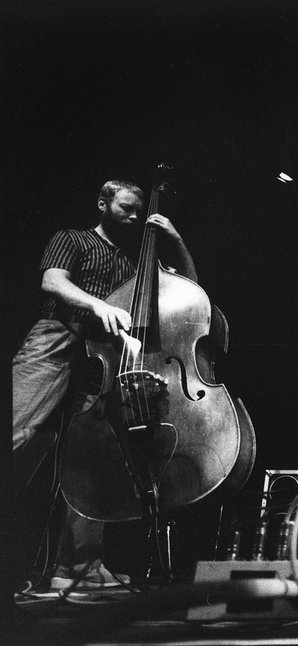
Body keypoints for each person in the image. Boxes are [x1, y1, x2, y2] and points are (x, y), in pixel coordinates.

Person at [12, 180, 198, 589]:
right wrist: (99, 305)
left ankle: (77, 567)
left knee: (89, 459)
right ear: (102, 204)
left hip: (105, 357)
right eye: (126, 209)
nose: (134, 217)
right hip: (59, 338)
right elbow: (53, 281)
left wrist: (175, 238)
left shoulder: (136, 260)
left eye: (137, 211)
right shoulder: (73, 238)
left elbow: (189, 287)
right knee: (18, 433)